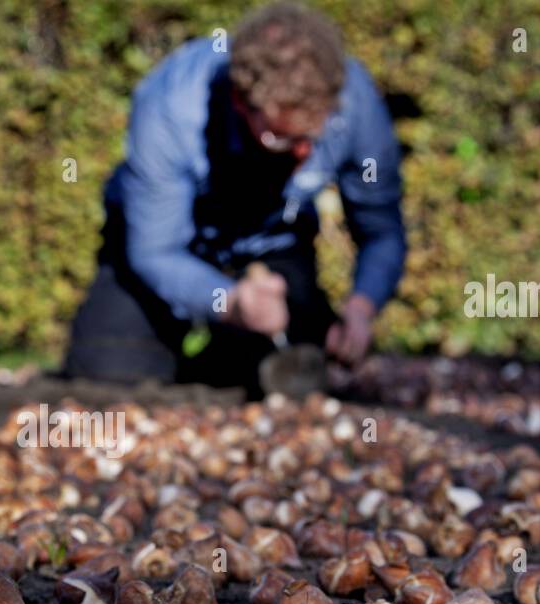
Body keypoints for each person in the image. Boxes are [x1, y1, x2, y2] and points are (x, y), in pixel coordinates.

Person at [62, 2, 406, 394]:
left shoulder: (356, 102)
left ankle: (221, 357)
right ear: (242, 103)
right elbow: (155, 251)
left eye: (313, 137)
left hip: (272, 241)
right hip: (172, 245)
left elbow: (382, 230)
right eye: (281, 138)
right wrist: (228, 302)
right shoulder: (169, 106)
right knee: (107, 370)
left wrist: (362, 308)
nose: (303, 154)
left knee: (292, 379)